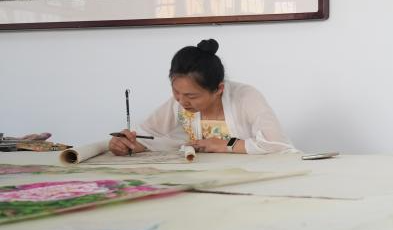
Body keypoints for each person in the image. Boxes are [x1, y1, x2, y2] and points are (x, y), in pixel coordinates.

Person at [108, 39, 295, 156]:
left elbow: (276, 144)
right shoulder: (179, 103)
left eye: (191, 95)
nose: (182, 101)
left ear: (219, 89)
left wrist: (226, 144)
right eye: (176, 91)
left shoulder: (246, 97)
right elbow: (148, 135)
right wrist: (127, 144)